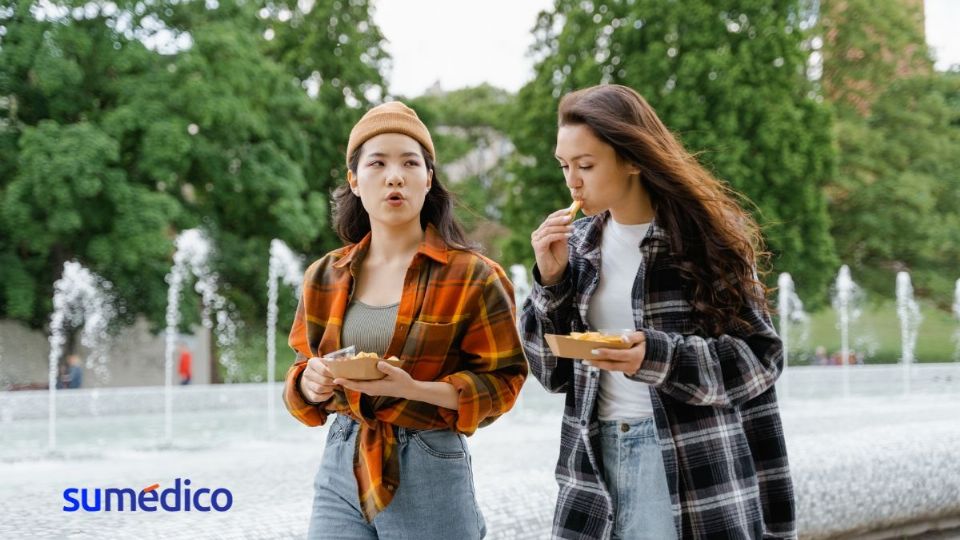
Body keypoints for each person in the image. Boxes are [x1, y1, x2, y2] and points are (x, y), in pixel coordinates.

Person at [520, 84, 795, 539]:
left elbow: (761, 360)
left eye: (586, 165)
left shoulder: (705, 243)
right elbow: (550, 374)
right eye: (565, 165)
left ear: (632, 160)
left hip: (681, 460)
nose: (572, 181)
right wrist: (550, 283)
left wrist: (655, 356)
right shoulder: (577, 248)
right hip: (591, 463)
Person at [283, 101, 528, 539]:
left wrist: (411, 389)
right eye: (377, 163)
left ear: (428, 179)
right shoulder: (325, 275)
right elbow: (302, 371)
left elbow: (504, 383)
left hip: (428, 460)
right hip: (343, 454)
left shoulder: (474, 276)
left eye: (409, 163)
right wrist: (309, 382)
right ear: (355, 180)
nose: (394, 175)